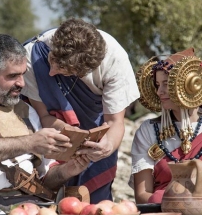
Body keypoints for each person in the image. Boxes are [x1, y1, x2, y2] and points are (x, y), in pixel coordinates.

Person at [0, 34, 90, 214]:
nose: (21, 83)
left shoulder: (27, 111)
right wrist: (30, 142)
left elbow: (45, 179)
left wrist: (69, 170)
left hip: (30, 206)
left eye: (23, 74)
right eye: (12, 76)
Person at [21, 18, 140, 203]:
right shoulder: (34, 54)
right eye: (51, 60)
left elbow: (115, 122)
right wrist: (70, 133)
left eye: (63, 71)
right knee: (47, 194)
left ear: (82, 73)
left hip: (97, 127)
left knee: (95, 204)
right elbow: (43, 115)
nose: (51, 72)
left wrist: (107, 147)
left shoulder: (115, 61)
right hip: (54, 136)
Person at [129, 47, 202, 204]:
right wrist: (170, 200)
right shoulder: (148, 131)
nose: (160, 91)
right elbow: (143, 196)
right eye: (157, 84)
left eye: (166, 84)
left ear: (189, 85)